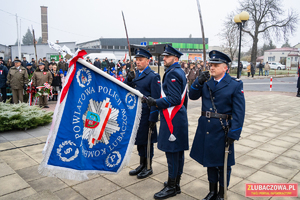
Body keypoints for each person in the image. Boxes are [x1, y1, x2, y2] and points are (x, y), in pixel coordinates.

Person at [189, 50, 245, 200]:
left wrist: (234, 133)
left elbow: (239, 112)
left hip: (222, 129)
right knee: (210, 162)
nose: (211, 67)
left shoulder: (234, 85)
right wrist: (198, 81)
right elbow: (192, 96)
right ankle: (212, 191)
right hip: (206, 128)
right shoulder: (206, 82)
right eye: (210, 64)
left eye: (215, 65)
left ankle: (221, 193)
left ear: (225, 67)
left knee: (223, 164)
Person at [144, 45, 188, 199]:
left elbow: (175, 99)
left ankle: (172, 187)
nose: (164, 59)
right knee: (177, 154)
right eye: (164, 56)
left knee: (172, 154)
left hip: (173, 119)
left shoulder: (172, 73)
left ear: (175, 59)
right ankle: (175, 183)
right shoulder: (178, 71)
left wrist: (155, 102)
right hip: (178, 118)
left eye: (167, 57)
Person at [125, 48, 161, 179]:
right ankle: (141, 164)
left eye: (140, 60)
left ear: (147, 61)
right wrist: (128, 80)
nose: (137, 62)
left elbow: (156, 99)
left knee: (147, 141)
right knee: (139, 140)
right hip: (136, 113)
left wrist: (153, 117)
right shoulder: (135, 75)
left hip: (147, 113)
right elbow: (127, 90)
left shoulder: (153, 76)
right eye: (136, 60)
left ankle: (148, 166)